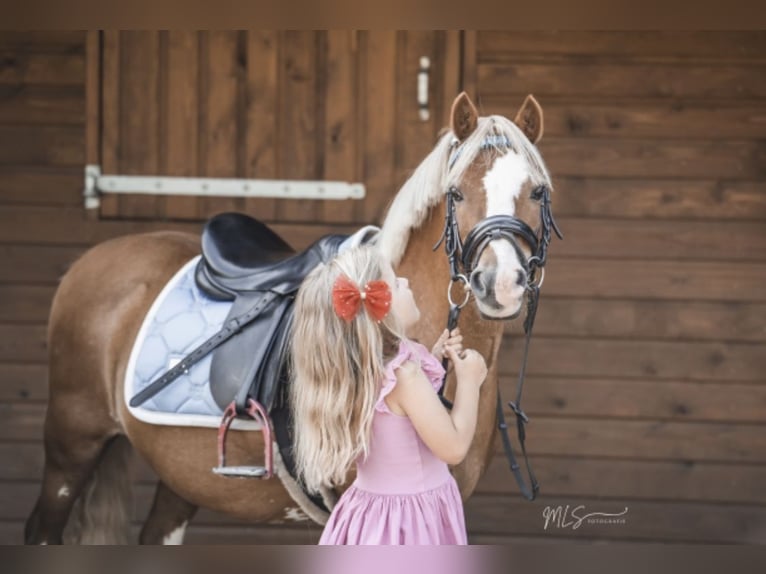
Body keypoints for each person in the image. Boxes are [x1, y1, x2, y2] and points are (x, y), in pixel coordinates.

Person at [289, 245, 488, 545]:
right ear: (380, 309)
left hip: (368, 515)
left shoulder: (359, 371)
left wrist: (432, 358)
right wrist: (470, 382)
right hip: (411, 522)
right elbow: (454, 448)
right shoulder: (406, 378)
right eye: (396, 283)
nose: (406, 283)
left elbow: (399, 420)